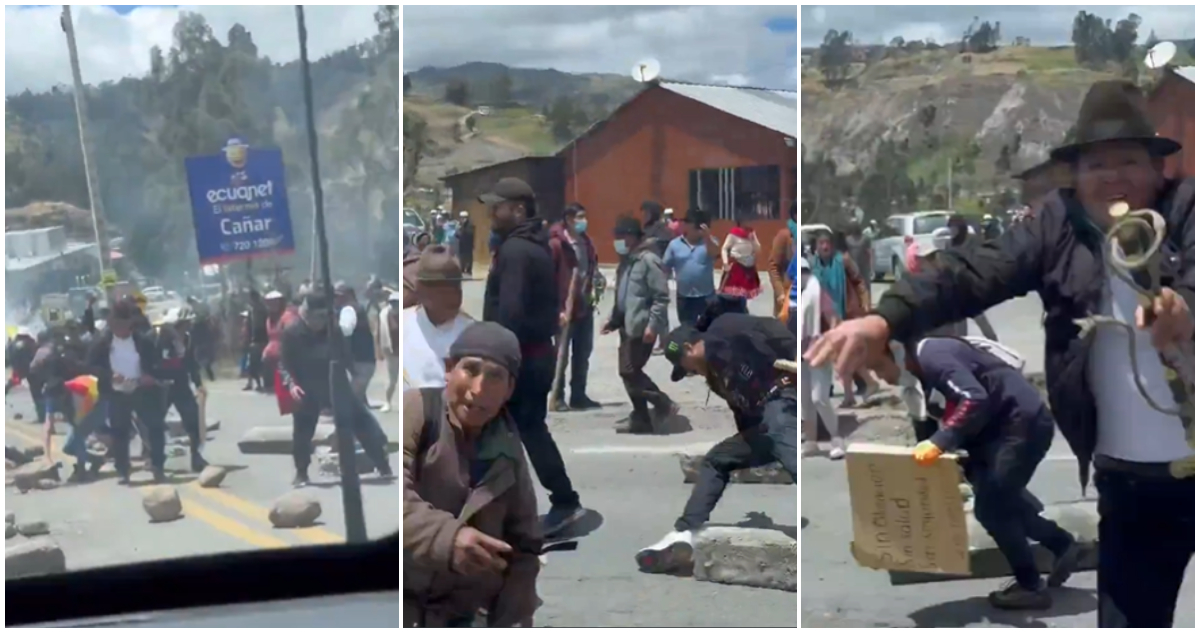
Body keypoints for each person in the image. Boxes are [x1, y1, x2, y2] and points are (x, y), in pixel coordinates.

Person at [806, 80, 1194, 628]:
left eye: (1128, 160)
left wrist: (1185, 311)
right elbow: (971, 269)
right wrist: (882, 317)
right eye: (1095, 164)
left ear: (1158, 169)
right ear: (1077, 177)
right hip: (1130, 480)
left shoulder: (1187, 209)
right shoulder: (1058, 225)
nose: (1112, 176)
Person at [875, 336, 1082, 609]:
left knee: (992, 509)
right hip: (993, 433)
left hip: (1019, 427)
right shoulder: (918, 379)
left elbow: (974, 398)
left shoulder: (932, 356)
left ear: (895, 351)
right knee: (1001, 500)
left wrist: (941, 441)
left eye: (877, 366)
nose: (878, 376)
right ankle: (1062, 544)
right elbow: (930, 429)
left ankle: (1031, 585)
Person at [402, 322, 542, 627]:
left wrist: (515, 614)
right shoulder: (417, 411)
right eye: (471, 370)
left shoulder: (506, 443)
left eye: (495, 377)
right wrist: (448, 539)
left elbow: (524, 544)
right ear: (449, 369)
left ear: (509, 389)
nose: (479, 388)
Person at [638, 312, 797, 572]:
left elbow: (769, 326)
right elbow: (741, 412)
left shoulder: (725, 330)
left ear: (690, 347)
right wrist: (748, 445)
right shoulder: (715, 378)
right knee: (716, 460)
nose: (691, 372)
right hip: (765, 424)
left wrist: (796, 356)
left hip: (781, 397)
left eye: (686, 366)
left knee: (779, 430)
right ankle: (685, 531)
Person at [480, 177, 585, 535]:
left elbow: (510, 313)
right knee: (515, 431)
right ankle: (514, 508)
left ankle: (564, 501)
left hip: (520, 360)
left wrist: (496, 359)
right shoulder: (530, 245)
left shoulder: (516, 251)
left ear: (519, 209)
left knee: (518, 430)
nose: (492, 213)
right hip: (533, 356)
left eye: (499, 206)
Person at [279, 292, 393, 487]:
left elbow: (344, 354)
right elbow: (283, 364)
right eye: (316, 318)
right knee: (302, 433)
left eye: (324, 317)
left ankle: (382, 464)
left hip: (335, 383)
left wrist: (352, 372)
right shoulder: (291, 332)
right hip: (306, 387)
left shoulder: (334, 330)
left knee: (361, 422)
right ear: (305, 315)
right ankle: (301, 472)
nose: (320, 322)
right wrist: (292, 384)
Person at [603, 215, 675, 434]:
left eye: (622, 236)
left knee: (629, 371)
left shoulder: (648, 261)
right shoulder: (626, 262)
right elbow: (623, 296)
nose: (618, 240)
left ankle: (662, 403)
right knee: (629, 371)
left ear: (633, 237)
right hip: (627, 326)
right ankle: (641, 418)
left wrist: (653, 326)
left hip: (642, 327)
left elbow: (660, 297)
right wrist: (613, 320)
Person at [84, 299, 168, 485]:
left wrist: (149, 376)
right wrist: (109, 376)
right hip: (116, 392)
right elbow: (90, 366)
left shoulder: (143, 342)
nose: (120, 329)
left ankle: (158, 466)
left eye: (123, 325)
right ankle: (123, 470)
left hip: (142, 389)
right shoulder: (102, 343)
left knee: (155, 427)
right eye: (116, 325)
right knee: (120, 432)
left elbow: (157, 364)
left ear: (130, 324)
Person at [808, 228, 879, 406]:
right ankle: (850, 394)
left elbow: (859, 282)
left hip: (846, 314)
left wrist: (865, 303)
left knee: (845, 355)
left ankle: (867, 383)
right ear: (816, 246)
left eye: (827, 243)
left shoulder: (843, 261)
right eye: (821, 243)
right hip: (824, 318)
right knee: (838, 356)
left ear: (832, 246)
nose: (825, 246)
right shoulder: (812, 265)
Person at [548, 203, 601, 411]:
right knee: (561, 353)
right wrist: (557, 309)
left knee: (582, 353)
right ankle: (558, 395)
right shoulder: (556, 244)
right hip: (564, 307)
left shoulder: (586, 242)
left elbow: (591, 267)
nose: (583, 221)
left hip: (584, 305)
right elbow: (549, 279)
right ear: (568, 219)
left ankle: (579, 395)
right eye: (579, 217)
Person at [402, 246, 474, 390]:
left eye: (457, 289)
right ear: (422, 292)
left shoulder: (473, 332)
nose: (455, 298)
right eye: (444, 292)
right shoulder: (404, 324)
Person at [798, 257, 843, 459]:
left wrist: (829, 342)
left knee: (820, 398)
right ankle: (811, 442)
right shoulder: (797, 294)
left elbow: (834, 319)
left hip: (818, 351)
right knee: (805, 400)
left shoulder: (817, 293)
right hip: (800, 352)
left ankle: (836, 439)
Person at [156, 306, 209, 473]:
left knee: (193, 421)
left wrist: (198, 383)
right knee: (155, 424)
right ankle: (155, 460)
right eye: (183, 324)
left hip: (180, 385)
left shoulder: (188, 339)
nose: (186, 327)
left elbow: (191, 363)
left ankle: (196, 457)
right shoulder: (159, 339)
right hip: (162, 386)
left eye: (188, 324)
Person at [663, 209, 719, 329]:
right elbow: (665, 267)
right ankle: (679, 348)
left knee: (708, 328)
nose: (699, 230)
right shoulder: (674, 245)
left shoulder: (710, 242)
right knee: (686, 329)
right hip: (684, 296)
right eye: (697, 226)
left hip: (706, 296)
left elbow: (715, 254)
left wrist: (707, 237)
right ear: (687, 225)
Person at [335, 282, 378, 405]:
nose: (335, 299)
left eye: (338, 296)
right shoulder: (356, 308)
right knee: (357, 396)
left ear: (347, 295)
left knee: (352, 399)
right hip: (363, 359)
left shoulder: (348, 309)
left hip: (359, 360)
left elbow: (345, 331)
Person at [719, 214, 762, 309]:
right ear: (741, 221)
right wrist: (725, 263)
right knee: (734, 295)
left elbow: (758, 249)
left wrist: (752, 240)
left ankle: (742, 310)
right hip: (736, 266)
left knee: (745, 295)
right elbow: (724, 249)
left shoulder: (751, 233)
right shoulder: (733, 234)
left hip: (748, 267)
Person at [769, 202, 798, 322]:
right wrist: (780, 293)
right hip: (788, 295)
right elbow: (773, 266)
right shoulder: (785, 236)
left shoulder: (810, 235)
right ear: (795, 215)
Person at [377, 292, 401, 412]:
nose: (394, 305)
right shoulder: (384, 314)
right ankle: (388, 402)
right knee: (392, 380)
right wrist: (379, 350)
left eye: (396, 302)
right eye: (392, 302)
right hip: (391, 352)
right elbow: (378, 332)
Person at [457, 210, 475, 276]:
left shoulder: (470, 225)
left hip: (468, 244)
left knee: (468, 258)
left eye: (462, 218)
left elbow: (470, 233)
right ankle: (462, 269)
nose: (461, 219)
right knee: (462, 258)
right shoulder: (460, 225)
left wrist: (463, 228)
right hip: (462, 244)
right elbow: (458, 234)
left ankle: (468, 270)